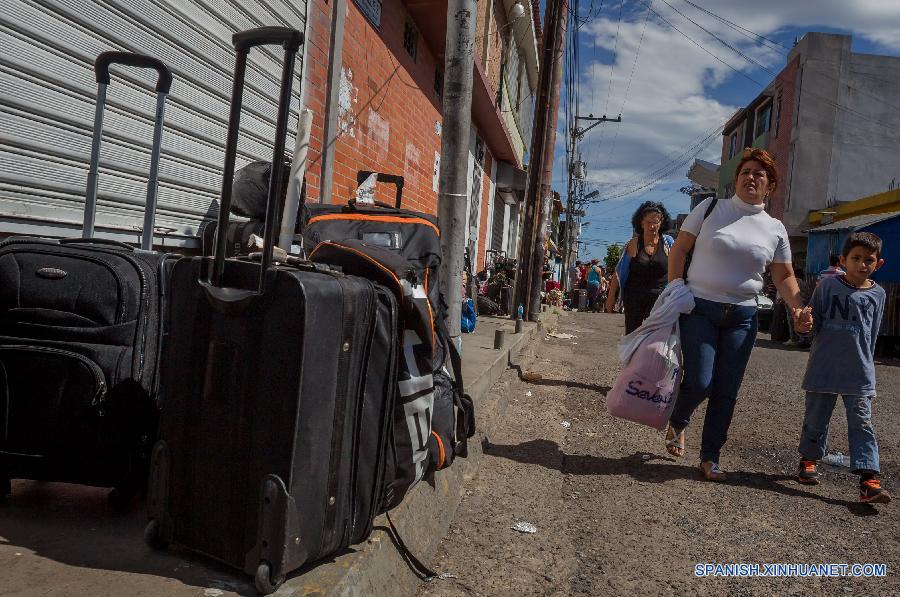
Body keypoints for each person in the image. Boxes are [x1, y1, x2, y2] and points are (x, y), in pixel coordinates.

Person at [664, 148, 811, 481]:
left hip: (743, 316)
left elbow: (783, 276)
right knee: (700, 381)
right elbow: (680, 249)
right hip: (699, 307)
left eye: (759, 173)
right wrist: (676, 287)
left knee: (726, 389)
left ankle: (710, 456)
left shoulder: (775, 229)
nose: (751, 177)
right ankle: (679, 419)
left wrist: (798, 307)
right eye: (745, 171)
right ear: (736, 179)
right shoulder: (711, 208)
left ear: (770, 186)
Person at [796, 232, 890, 504]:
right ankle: (809, 460)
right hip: (823, 369)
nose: (862, 264)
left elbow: (871, 336)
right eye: (856, 258)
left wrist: (869, 371)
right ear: (843, 261)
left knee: (862, 423)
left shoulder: (878, 294)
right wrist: (803, 325)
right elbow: (812, 322)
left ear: (878, 264)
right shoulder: (827, 287)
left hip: (858, 374)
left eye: (868, 260)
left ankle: (869, 480)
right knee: (815, 419)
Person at [605, 201, 674, 333]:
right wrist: (611, 298)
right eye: (648, 222)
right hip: (634, 297)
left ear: (661, 223)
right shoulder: (633, 244)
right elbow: (618, 273)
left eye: (656, 222)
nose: (652, 226)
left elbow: (677, 269)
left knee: (654, 339)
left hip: (660, 299)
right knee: (632, 335)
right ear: (641, 223)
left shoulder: (668, 243)